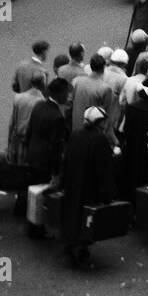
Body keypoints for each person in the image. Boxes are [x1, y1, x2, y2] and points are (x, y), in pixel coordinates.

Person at [62, 108, 117, 264]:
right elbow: (105, 169)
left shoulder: (75, 134)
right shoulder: (100, 139)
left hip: (73, 182)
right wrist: (108, 193)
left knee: (73, 212)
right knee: (86, 217)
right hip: (90, 185)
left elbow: (66, 159)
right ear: (99, 122)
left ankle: (70, 242)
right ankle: (80, 246)